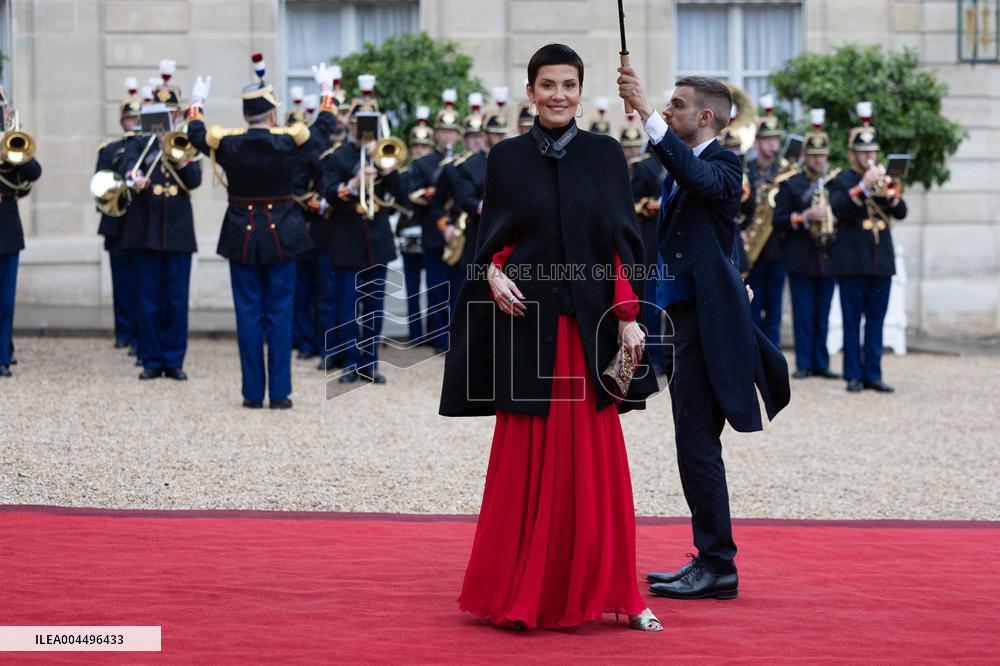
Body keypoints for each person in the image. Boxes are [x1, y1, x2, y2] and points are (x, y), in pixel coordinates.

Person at [441, 43, 662, 632]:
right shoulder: (506, 158)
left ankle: (618, 591)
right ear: (530, 91)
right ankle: (521, 592)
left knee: (597, 465)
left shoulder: (606, 154)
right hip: (526, 327)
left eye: (568, 85)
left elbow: (621, 240)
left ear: (582, 91)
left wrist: (627, 312)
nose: (558, 95)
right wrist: (489, 273)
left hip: (589, 328)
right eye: (547, 85)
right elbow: (494, 239)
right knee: (524, 463)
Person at [617, 65, 790, 601]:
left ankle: (717, 564)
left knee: (697, 444)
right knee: (693, 442)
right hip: (680, 318)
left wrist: (646, 111)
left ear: (706, 115)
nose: (670, 111)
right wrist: (734, 273)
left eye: (677, 105)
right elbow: (719, 230)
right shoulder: (691, 164)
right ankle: (712, 559)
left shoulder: (724, 162)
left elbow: (701, 184)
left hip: (704, 323)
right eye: (667, 105)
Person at [186, 54, 337, 408]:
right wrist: (327, 92)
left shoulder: (229, 143)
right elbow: (324, 129)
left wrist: (197, 103)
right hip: (282, 232)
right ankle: (280, 393)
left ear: (245, 116)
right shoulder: (289, 142)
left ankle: (253, 393)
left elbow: (194, 134)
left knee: (248, 314)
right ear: (272, 115)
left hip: (241, 233)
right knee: (281, 313)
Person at [119, 60, 202, 381]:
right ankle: (152, 358)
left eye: (172, 114)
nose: (168, 120)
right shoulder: (140, 143)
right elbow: (128, 168)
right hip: (148, 228)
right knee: (149, 297)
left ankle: (174, 359)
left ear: (178, 115)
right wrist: (133, 178)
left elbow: (193, 180)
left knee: (177, 299)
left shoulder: (185, 144)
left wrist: (179, 159)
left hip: (178, 229)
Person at [318, 76, 399, 385]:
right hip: (347, 239)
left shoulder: (383, 154)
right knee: (348, 307)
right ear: (349, 125)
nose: (362, 128)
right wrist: (353, 183)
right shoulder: (338, 157)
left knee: (375, 308)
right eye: (358, 123)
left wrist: (387, 169)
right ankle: (351, 361)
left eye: (368, 123)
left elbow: (400, 193)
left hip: (377, 241)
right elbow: (327, 192)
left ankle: (371, 363)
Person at [828, 102, 906, 393]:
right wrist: (862, 186)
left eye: (872, 151)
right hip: (851, 261)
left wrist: (892, 194)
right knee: (851, 322)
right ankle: (852, 374)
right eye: (863, 152)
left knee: (876, 321)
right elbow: (838, 209)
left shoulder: (885, 180)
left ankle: (873, 373)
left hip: (880, 261)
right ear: (852, 154)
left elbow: (901, 212)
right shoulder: (842, 180)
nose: (869, 156)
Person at [772, 109, 840, 380]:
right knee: (802, 314)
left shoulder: (834, 183)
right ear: (805, 157)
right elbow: (779, 221)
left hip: (828, 256)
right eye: (813, 155)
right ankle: (803, 362)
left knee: (822, 315)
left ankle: (821, 362)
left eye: (822, 155)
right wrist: (804, 217)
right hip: (801, 256)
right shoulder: (791, 184)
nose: (818, 160)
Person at [96, 79, 142, 350]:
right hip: (118, 223)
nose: (134, 123)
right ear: (121, 122)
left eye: (137, 118)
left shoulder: (150, 148)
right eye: (129, 119)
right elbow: (100, 184)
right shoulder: (109, 150)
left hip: (142, 222)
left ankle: (139, 334)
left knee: (141, 282)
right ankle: (123, 331)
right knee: (121, 281)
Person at [0, 86, 42, 378]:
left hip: (6, 226)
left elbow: (34, 173)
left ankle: (2, 356)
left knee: (5, 299)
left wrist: (10, 150)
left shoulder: (10, 143)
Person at [745, 96, 788, 347]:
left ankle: (773, 353)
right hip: (752, 249)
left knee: (775, 307)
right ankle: (752, 350)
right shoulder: (747, 168)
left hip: (777, 247)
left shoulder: (784, 170)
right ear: (758, 141)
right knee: (753, 304)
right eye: (768, 140)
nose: (773, 145)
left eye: (776, 140)